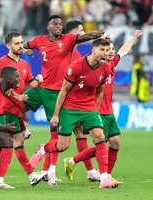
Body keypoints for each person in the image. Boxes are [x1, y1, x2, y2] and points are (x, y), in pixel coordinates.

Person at [22, 15, 106, 185]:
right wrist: (25, 50)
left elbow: (84, 38)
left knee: (67, 133)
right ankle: (50, 168)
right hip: (44, 89)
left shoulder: (73, 48)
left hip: (60, 93)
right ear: (49, 26)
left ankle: (52, 171)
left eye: (61, 24)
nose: (59, 26)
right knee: (15, 107)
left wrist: (95, 34)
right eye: (80, 31)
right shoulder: (42, 41)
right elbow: (24, 45)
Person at [30, 38, 119, 189]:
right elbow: (63, 90)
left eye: (107, 50)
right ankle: (43, 149)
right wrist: (56, 114)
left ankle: (104, 178)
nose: (106, 53)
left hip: (89, 108)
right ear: (94, 51)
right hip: (70, 108)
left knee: (100, 137)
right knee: (62, 145)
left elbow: (100, 91)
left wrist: (95, 111)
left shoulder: (105, 68)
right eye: (102, 50)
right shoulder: (76, 67)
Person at [64, 30, 143, 185]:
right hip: (96, 111)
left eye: (112, 49)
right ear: (102, 52)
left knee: (115, 143)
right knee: (102, 144)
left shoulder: (111, 64)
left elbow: (123, 51)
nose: (111, 52)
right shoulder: (93, 67)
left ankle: (93, 169)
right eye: (108, 49)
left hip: (109, 112)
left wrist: (134, 38)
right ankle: (100, 174)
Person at [0, 31, 45, 187]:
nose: (20, 46)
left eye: (21, 42)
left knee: (1, 143)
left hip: (16, 109)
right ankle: (26, 176)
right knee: (17, 140)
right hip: (5, 107)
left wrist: (39, 81)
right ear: (8, 46)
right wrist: (17, 97)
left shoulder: (24, 64)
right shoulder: (2, 62)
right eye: (17, 43)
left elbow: (32, 84)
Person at [63, 20, 100, 182]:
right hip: (66, 100)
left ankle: (90, 171)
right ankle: (47, 167)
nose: (85, 32)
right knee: (61, 141)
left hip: (78, 101)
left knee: (81, 134)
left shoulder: (77, 55)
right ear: (74, 34)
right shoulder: (64, 51)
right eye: (82, 30)